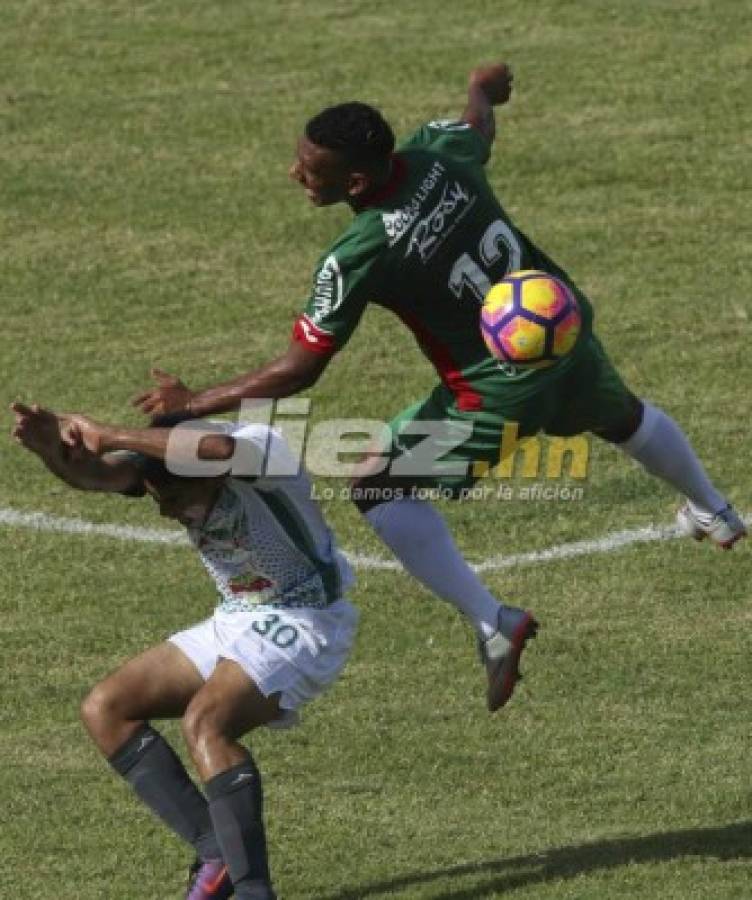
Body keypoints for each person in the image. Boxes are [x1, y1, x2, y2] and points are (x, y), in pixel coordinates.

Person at [131, 62, 746, 713]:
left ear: (356, 182)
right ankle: (715, 509)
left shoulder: (359, 251)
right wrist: (483, 89)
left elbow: (299, 369)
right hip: (558, 330)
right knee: (621, 416)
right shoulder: (437, 153)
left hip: (490, 393)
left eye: (310, 169)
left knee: (376, 484)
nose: (296, 174)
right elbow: (477, 125)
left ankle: (493, 621)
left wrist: (191, 403)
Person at [10, 401, 359, 900]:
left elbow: (215, 448)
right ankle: (216, 851)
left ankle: (253, 891)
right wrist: (53, 453)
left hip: (306, 621)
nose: (166, 510)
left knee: (206, 723)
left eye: (173, 495)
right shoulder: (172, 472)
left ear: (210, 477)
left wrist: (110, 432)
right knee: (107, 707)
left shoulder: (262, 455)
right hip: (235, 618)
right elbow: (96, 478)